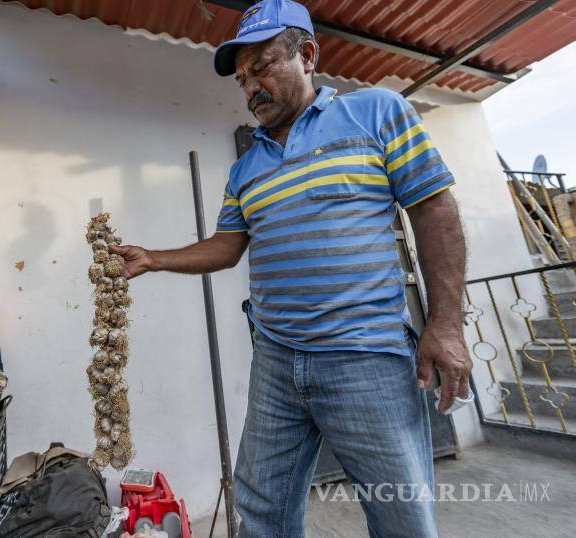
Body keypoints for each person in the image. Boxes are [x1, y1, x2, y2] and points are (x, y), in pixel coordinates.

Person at [111, 0, 471, 536]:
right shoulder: (244, 168)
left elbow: (433, 207)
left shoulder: (375, 112)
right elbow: (227, 246)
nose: (250, 86)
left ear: (306, 56)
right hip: (277, 362)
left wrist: (446, 322)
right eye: (241, 79)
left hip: (365, 358)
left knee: (401, 516)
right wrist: (154, 259)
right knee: (260, 514)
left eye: (261, 68)